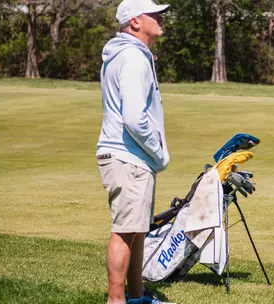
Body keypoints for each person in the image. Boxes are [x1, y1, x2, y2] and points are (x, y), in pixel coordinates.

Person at [96, 0, 172, 303]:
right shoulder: (133, 58)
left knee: (137, 230)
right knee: (125, 231)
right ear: (136, 22)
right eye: (154, 13)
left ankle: (137, 295)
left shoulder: (130, 54)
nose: (161, 17)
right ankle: (117, 300)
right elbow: (134, 118)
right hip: (129, 157)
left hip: (128, 157)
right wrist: (158, 154)